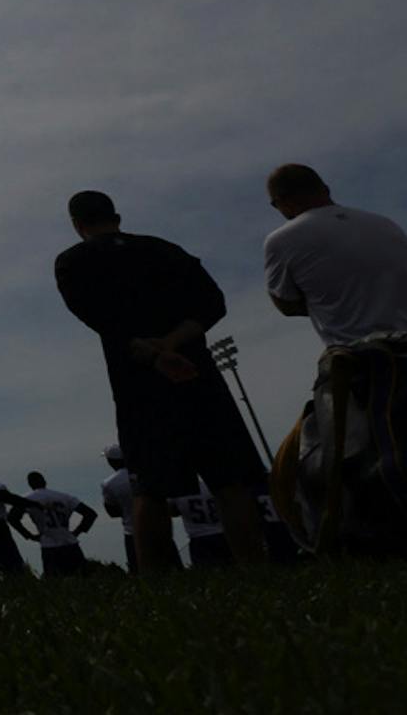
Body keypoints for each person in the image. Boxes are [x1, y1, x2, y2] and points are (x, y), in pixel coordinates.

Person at [54, 190, 269, 572]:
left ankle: (157, 584)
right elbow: (213, 303)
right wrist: (173, 344)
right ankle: (256, 569)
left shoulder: (73, 262)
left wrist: (154, 354)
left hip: (139, 384)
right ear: (116, 216)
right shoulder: (164, 249)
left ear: (77, 224)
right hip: (195, 371)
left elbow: (99, 318)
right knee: (229, 481)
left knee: (149, 489)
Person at [263, 164, 407, 350]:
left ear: (283, 202)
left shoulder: (282, 240)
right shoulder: (385, 224)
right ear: (325, 189)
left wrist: (327, 300)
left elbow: (286, 305)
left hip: (365, 359)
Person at [14, 471, 96, 578]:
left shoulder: (27, 499)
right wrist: (77, 531)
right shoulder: (64, 497)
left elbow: (13, 518)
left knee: (55, 581)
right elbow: (90, 514)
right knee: (80, 578)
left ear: (30, 484)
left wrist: (29, 535)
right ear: (45, 481)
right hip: (70, 543)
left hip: (50, 546)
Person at [99, 445, 140, 570]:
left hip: (132, 531)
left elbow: (112, 512)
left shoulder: (109, 483)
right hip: (157, 526)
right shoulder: (143, 474)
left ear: (111, 462)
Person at [172, 485, 231, 568]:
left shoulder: (179, 489)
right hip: (224, 534)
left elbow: (173, 511)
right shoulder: (215, 485)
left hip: (199, 538)